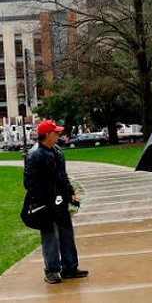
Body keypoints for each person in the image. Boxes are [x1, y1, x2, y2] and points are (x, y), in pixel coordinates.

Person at [23, 120, 89, 284]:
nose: (59, 135)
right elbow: (29, 183)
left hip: (60, 201)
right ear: (47, 135)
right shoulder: (34, 155)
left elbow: (62, 177)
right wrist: (45, 200)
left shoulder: (58, 151)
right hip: (44, 204)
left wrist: (70, 193)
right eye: (56, 132)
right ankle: (51, 271)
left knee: (67, 233)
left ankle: (70, 267)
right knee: (50, 237)